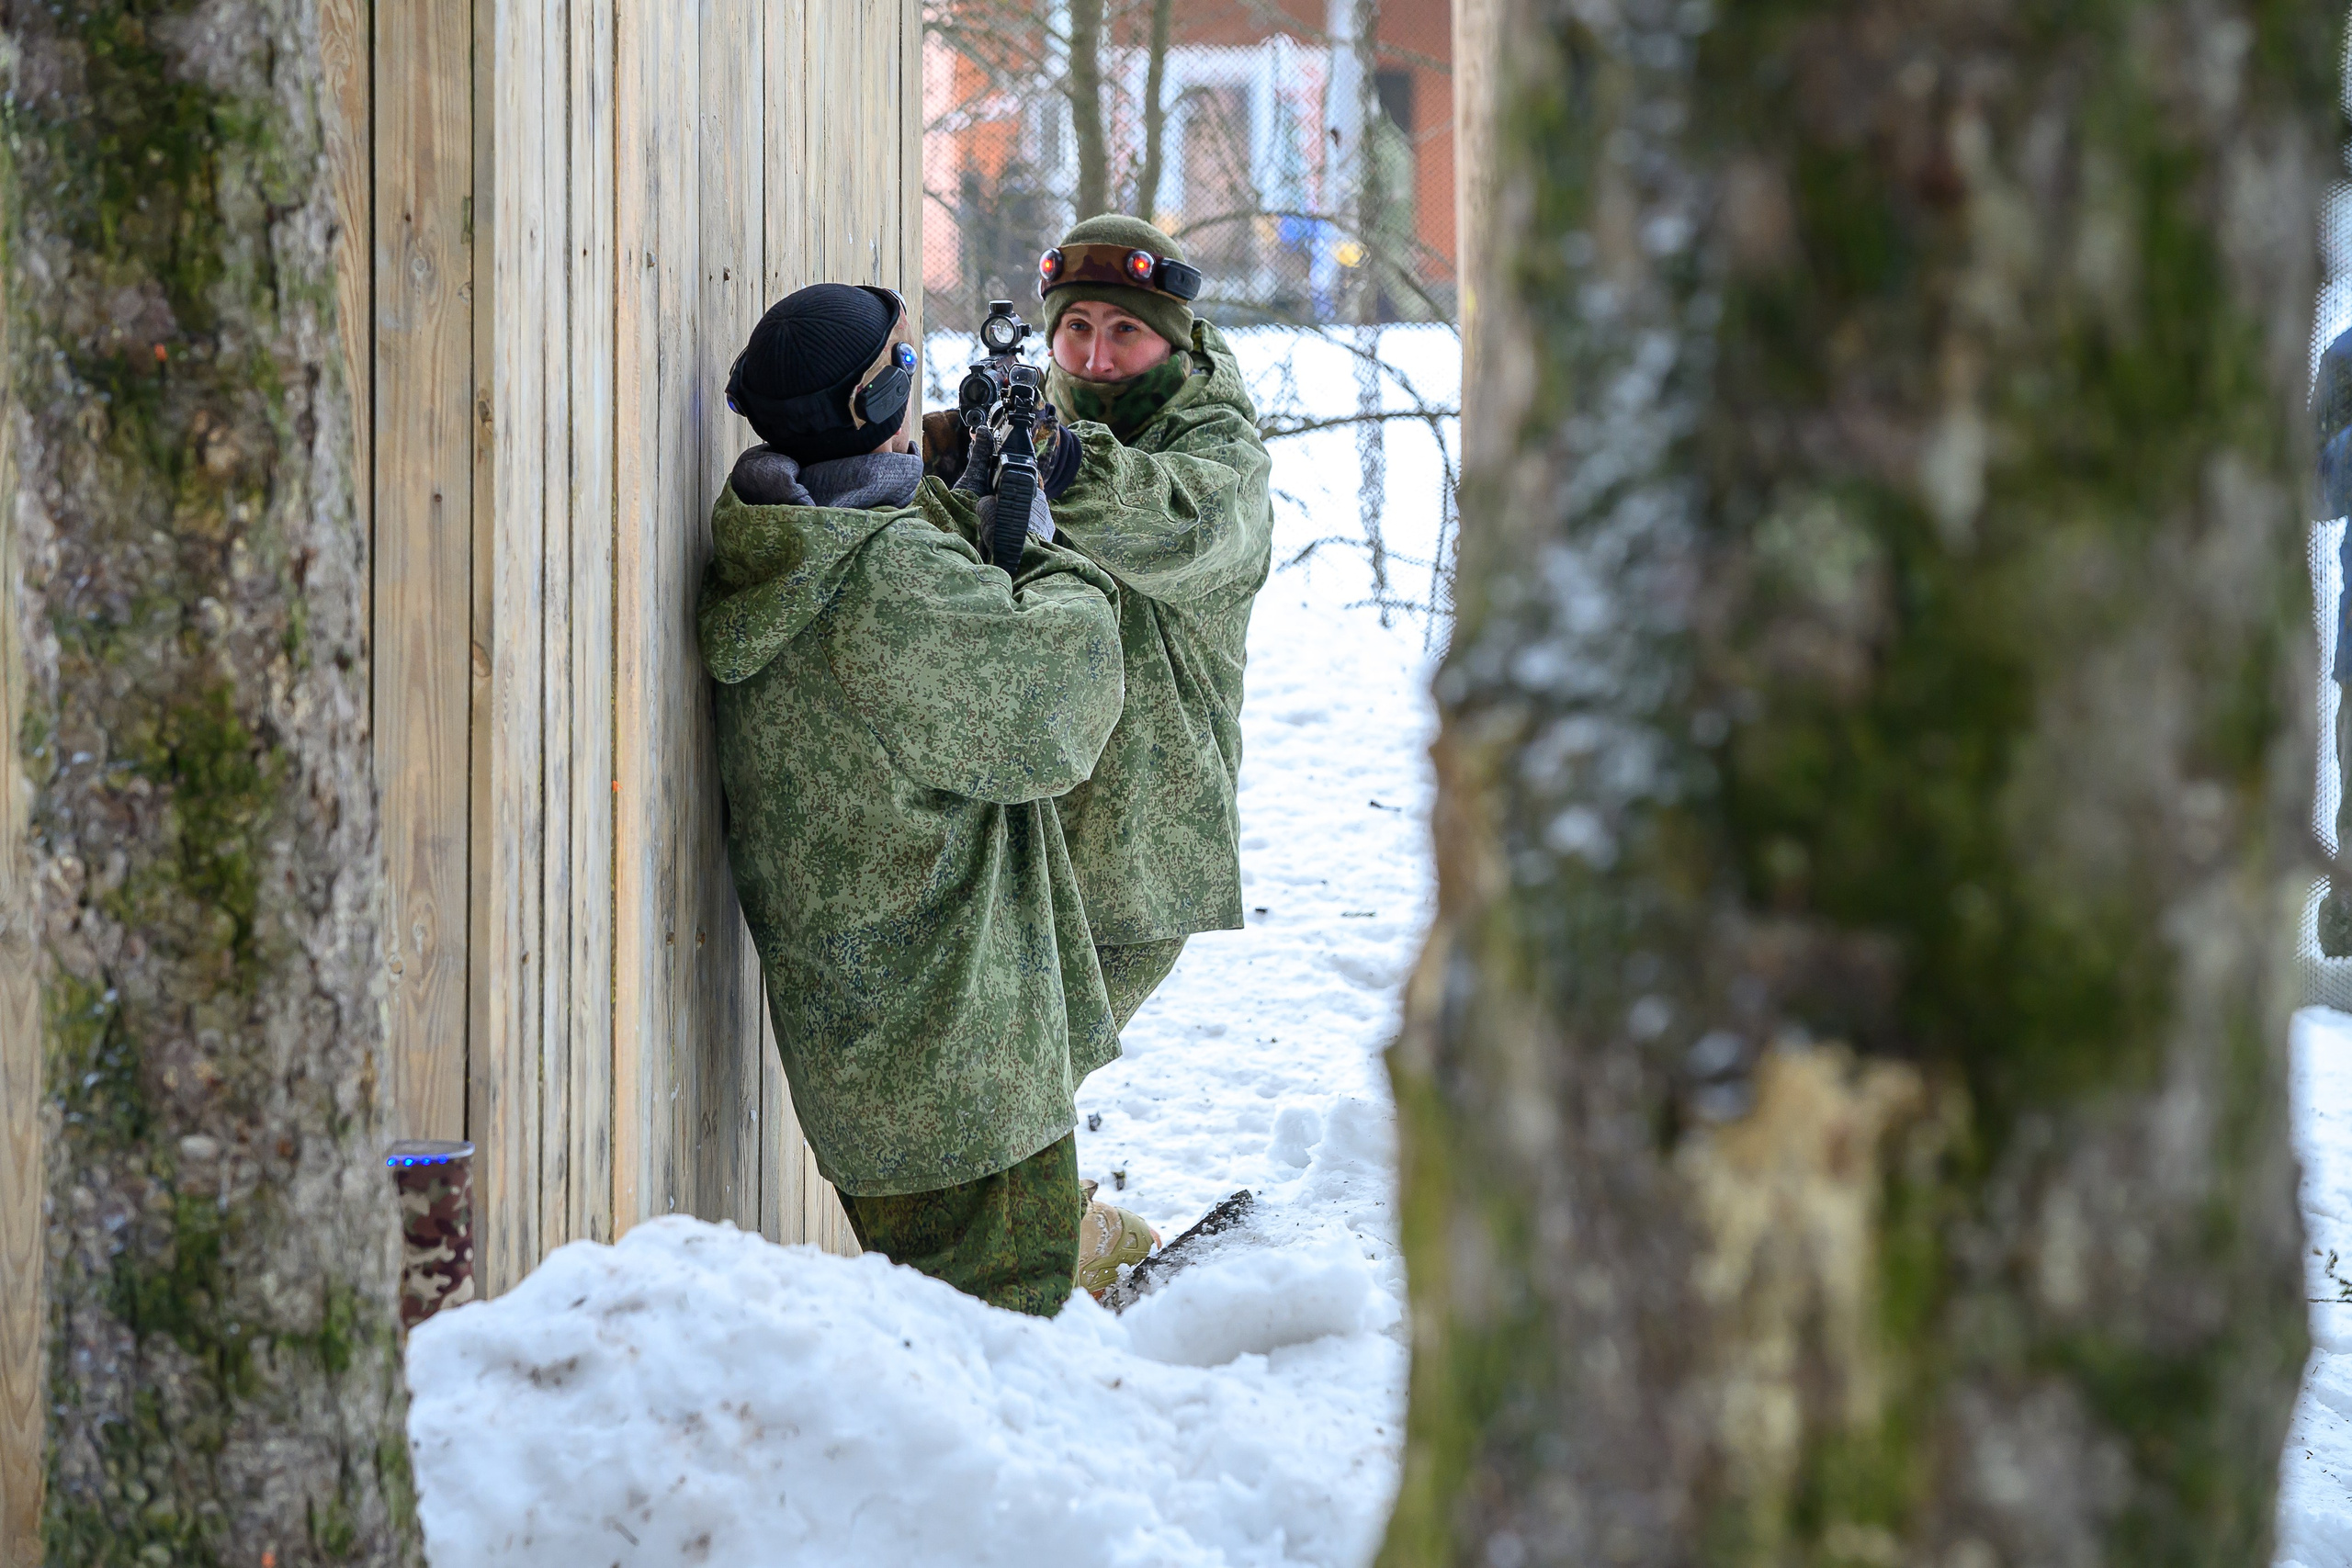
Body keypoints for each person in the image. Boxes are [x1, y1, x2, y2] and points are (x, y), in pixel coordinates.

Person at [699, 282, 1156, 1314]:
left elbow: (885, 567)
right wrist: (1038, 537)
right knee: (1007, 1344)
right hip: (959, 1066)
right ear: (875, 404)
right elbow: (1060, 699)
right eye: (904, 368)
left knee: (954, 1339)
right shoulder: (884, 593)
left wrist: (955, 482)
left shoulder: (780, 546)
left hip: (878, 1062)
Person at [932, 215, 1275, 1035]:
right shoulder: (1033, 421)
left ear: (1174, 341)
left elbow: (1179, 524)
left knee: (1023, 1080)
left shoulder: (1224, 453)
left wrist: (1062, 463)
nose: (1093, 357)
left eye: (1125, 331)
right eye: (1076, 328)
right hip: (1023, 818)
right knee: (1003, 1084)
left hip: (1137, 847)